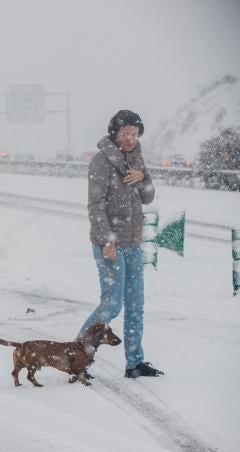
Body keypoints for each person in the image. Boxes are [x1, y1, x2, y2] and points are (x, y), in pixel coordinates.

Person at [78, 109, 164, 378]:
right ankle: (77, 355)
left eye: (134, 134)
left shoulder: (137, 159)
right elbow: (95, 206)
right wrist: (106, 241)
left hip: (133, 244)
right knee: (112, 305)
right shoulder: (101, 161)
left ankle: (134, 363)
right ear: (114, 133)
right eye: (125, 133)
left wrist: (144, 179)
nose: (129, 138)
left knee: (136, 303)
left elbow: (148, 197)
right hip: (110, 246)